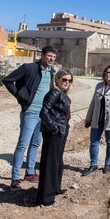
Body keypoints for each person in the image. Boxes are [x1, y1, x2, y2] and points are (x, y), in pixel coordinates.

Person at [3, 45, 57, 191]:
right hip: (30, 113)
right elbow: (8, 80)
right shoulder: (29, 68)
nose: (51, 59)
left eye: (53, 57)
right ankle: (15, 179)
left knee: (35, 144)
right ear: (43, 55)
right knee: (23, 144)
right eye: (49, 56)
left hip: (43, 114)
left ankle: (30, 173)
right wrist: (21, 96)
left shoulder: (52, 72)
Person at [82, 65, 110, 176]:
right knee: (94, 142)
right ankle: (93, 165)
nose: (108, 74)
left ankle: (107, 164)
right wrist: (88, 118)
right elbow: (93, 103)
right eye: (107, 72)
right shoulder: (99, 86)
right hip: (97, 118)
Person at [36, 70, 72, 207]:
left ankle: (55, 188)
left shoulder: (61, 93)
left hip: (61, 131)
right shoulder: (54, 93)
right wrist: (54, 128)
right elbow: (43, 113)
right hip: (54, 133)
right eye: (64, 80)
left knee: (57, 161)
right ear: (56, 79)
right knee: (50, 164)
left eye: (69, 81)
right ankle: (46, 197)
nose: (67, 83)